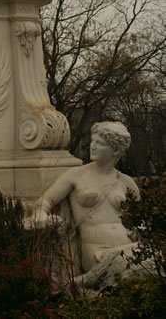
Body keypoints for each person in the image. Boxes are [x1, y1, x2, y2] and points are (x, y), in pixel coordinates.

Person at [32, 121, 139, 282]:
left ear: (116, 150)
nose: (93, 146)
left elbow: (142, 218)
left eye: (100, 143)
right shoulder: (76, 175)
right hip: (96, 251)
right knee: (126, 268)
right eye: (93, 141)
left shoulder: (126, 182)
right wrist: (40, 212)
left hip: (129, 247)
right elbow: (45, 200)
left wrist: (140, 228)